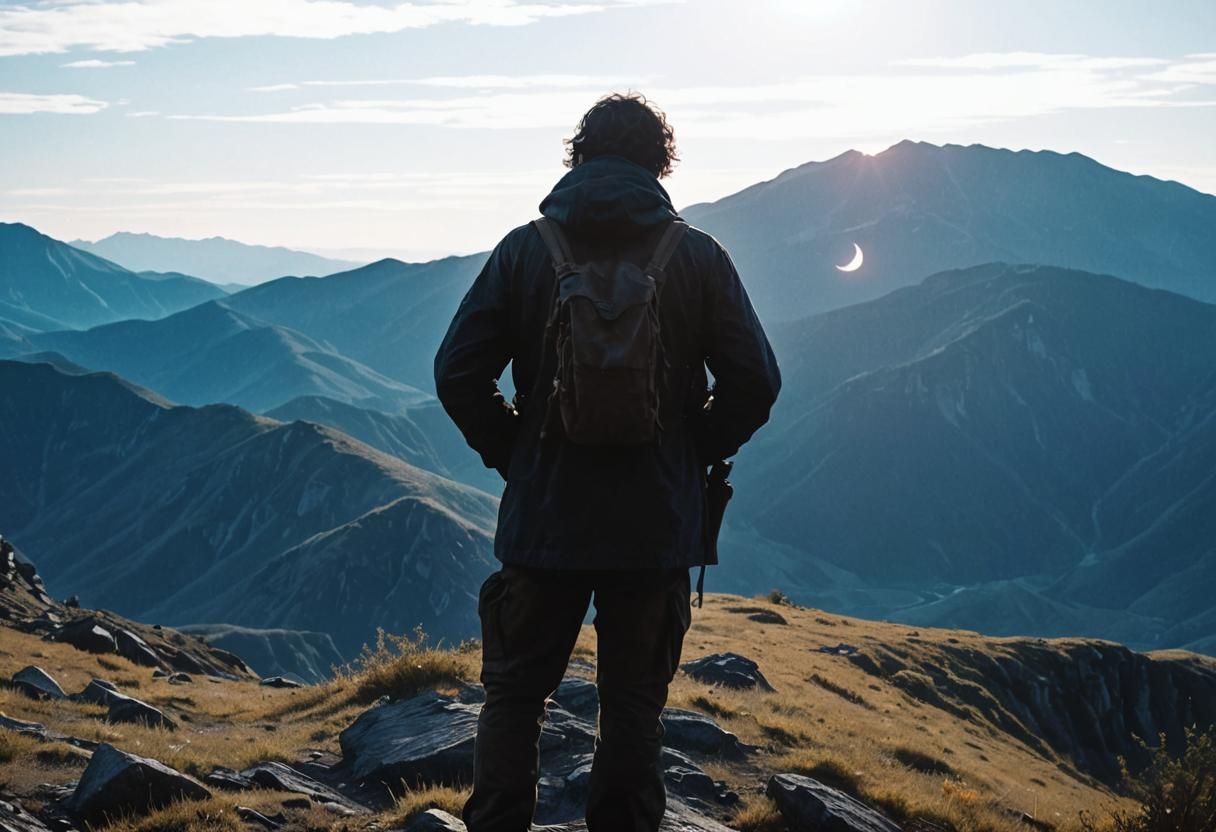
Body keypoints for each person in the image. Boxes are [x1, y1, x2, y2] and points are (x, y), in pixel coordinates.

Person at [434, 92, 781, 832]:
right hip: (653, 530)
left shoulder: (528, 250)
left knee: (515, 699)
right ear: (660, 161)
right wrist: (695, 450)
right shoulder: (696, 256)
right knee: (632, 711)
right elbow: (757, 381)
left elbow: (457, 372)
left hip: (545, 523)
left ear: (578, 156)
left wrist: (513, 452)